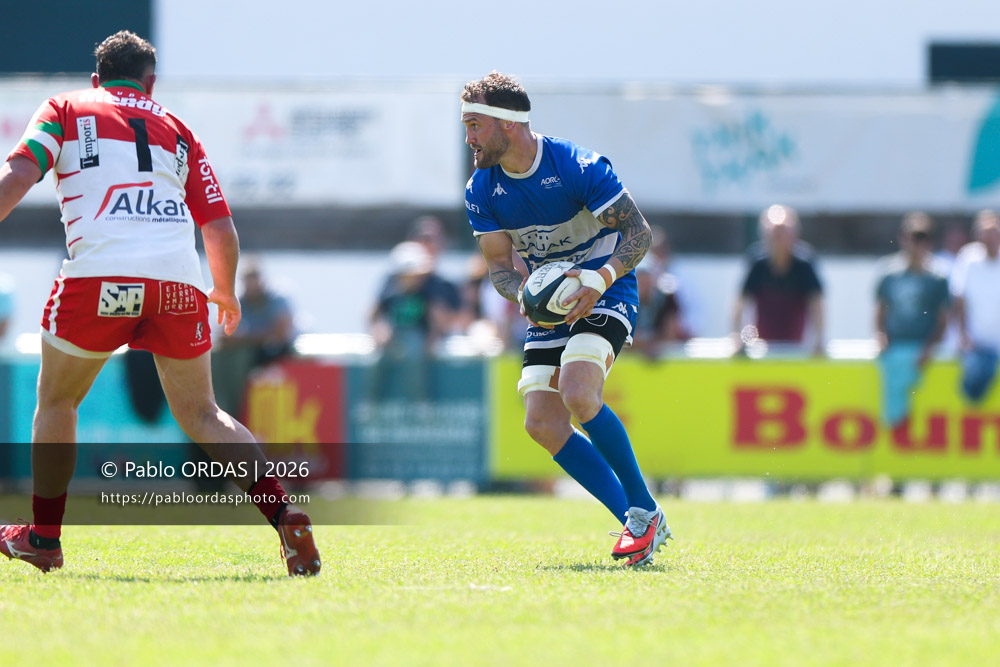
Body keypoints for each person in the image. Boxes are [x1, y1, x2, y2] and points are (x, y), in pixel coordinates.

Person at [0, 31, 319, 576]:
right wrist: (224, 289)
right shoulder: (178, 129)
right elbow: (218, 226)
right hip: (178, 286)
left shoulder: (65, 107)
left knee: (57, 404)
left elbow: (21, 174)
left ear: (97, 78)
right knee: (204, 414)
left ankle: (43, 539)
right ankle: (285, 511)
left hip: (99, 277)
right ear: (150, 84)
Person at [462, 71, 670, 567]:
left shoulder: (578, 166)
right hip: (550, 306)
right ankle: (640, 520)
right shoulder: (481, 190)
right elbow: (497, 268)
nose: (468, 137)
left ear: (508, 125)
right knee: (542, 422)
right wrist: (528, 298)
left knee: (579, 393)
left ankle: (642, 510)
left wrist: (597, 280)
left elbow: (639, 236)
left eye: (475, 125)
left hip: (609, 288)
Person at [874, 212, 951, 427]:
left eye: (922, 237)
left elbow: (943, 319)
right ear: (902, 237)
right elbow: (880, 311)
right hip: (896, 347)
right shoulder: (888, 273)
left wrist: (929, 347)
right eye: (913, 236)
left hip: (924, 352)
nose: (916, 244)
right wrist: (881, 337)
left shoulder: (938, 277)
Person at [731, 205, 824, 355]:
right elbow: (741, 303)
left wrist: (818, 339)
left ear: (794, 235)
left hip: (795, 348)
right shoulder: (757, 264)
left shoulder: (804, 265)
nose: (778, 239)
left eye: (783, 233)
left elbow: (817, 304)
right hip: (763, 349)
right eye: (774, 234)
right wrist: (739, 337)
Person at [369, 240, 454, 401]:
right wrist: (379, 329)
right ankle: (371, 402)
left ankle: (421, 402)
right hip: (394, 335)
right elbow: (374, 313)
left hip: (417, 334)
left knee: (415, 356)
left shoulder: (428, 290)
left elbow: (436, 318)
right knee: (378, 360)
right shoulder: (390, 289)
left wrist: (434, 338)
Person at [212, 258, 297, 417]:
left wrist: (243, 339)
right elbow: (224, 334)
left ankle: (233, 412)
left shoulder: (277, 298)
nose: (252, 284)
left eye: (255, 278)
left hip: (276, 351)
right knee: (215, 355)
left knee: (240, 358)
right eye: (248, 279)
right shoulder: (239, 300)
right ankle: (217, 408)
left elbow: (280, 334)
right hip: (249, 351)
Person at [950, 210, 1000, 403]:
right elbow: (959, 299)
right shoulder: (969, 258)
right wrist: (963, 334)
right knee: (972, 390)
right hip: (978, 344)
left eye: (993, 232)